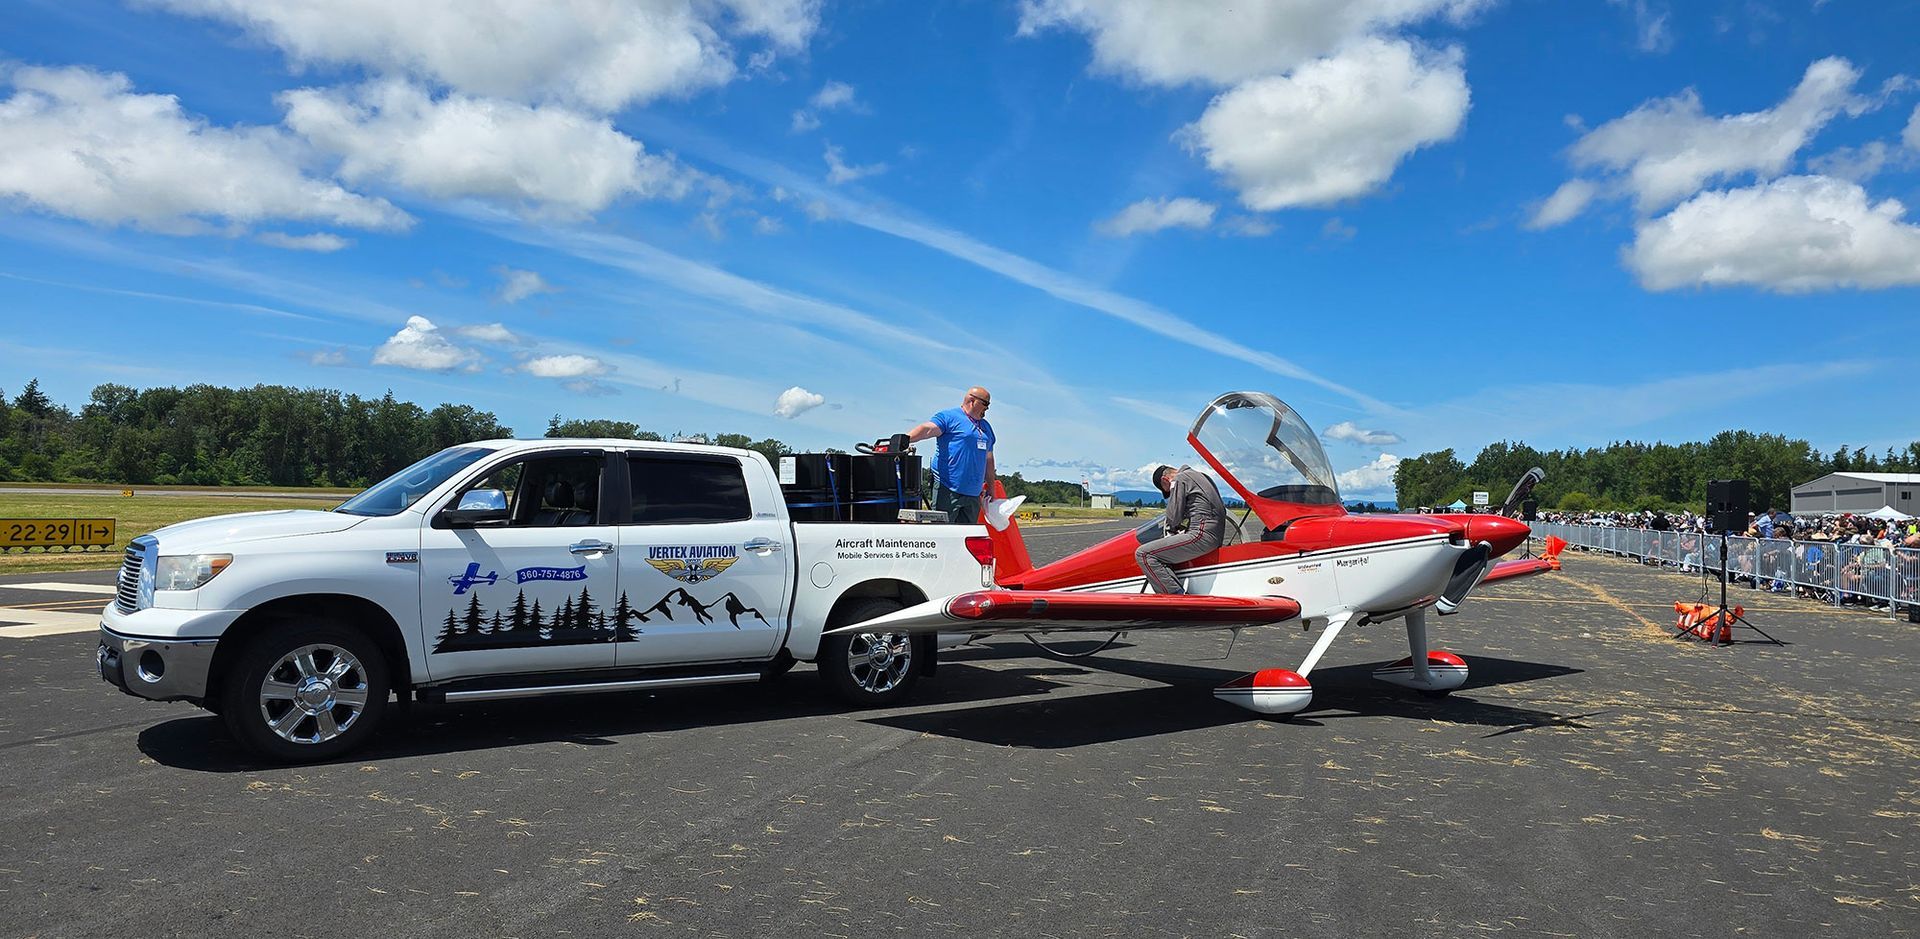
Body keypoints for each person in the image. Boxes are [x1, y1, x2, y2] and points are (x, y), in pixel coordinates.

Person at [906, 386, 996, 524]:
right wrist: (905, 439)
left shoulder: (986, 428)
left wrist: (991, 488)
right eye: (985, 404)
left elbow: (988, 461)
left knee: (966, 538)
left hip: (973, 494)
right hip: (948, 489)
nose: (987, 409)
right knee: (943, 533)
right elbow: (928, 430)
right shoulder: (949, 417)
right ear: (972, 400)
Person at [1135, 464, 1226, 594]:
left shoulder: (1180, 479)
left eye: (1167, 491)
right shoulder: (1201, 476)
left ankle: (1175, 600)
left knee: (1144, 554)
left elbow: (1173, 518)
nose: (1169, 493)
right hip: (1213, 535)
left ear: (1165, 480)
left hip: (1201, 534)